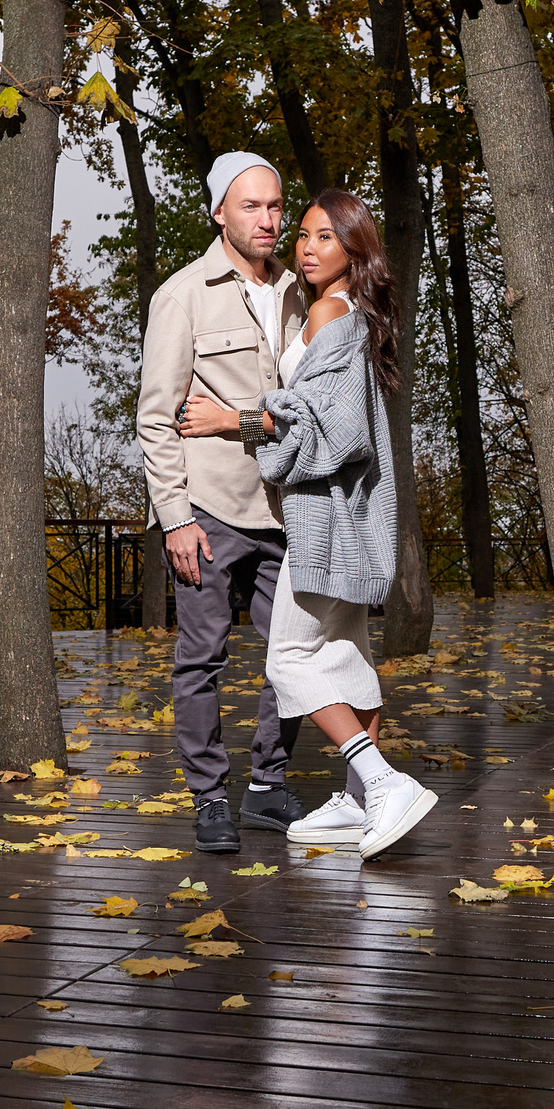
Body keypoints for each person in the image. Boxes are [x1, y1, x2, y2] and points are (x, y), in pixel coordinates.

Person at [179, 189, 437, 859]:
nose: (307, 247)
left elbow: (331, 426)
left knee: (288, 657)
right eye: (303, 234)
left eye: (326, 237)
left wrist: (230, 419)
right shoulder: (354, 313)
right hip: (351, 512)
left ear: (355, 250)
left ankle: (382, 782)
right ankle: (357, 801)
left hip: (324, 516)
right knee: (346, 654)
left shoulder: (329, 312)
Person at [138, 152, 313, 852]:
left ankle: (267, 785)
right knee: (202, 656)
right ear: (218, 213)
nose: (268, 219)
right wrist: (175, 517)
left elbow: (305, 408)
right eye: (251, 206)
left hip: (286, 507)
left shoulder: (300, 293)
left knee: (294, 653)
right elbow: (157, 418)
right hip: (208, 506)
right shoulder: (182, 295)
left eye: (275, 205)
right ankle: (210, 797)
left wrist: (235, 418)